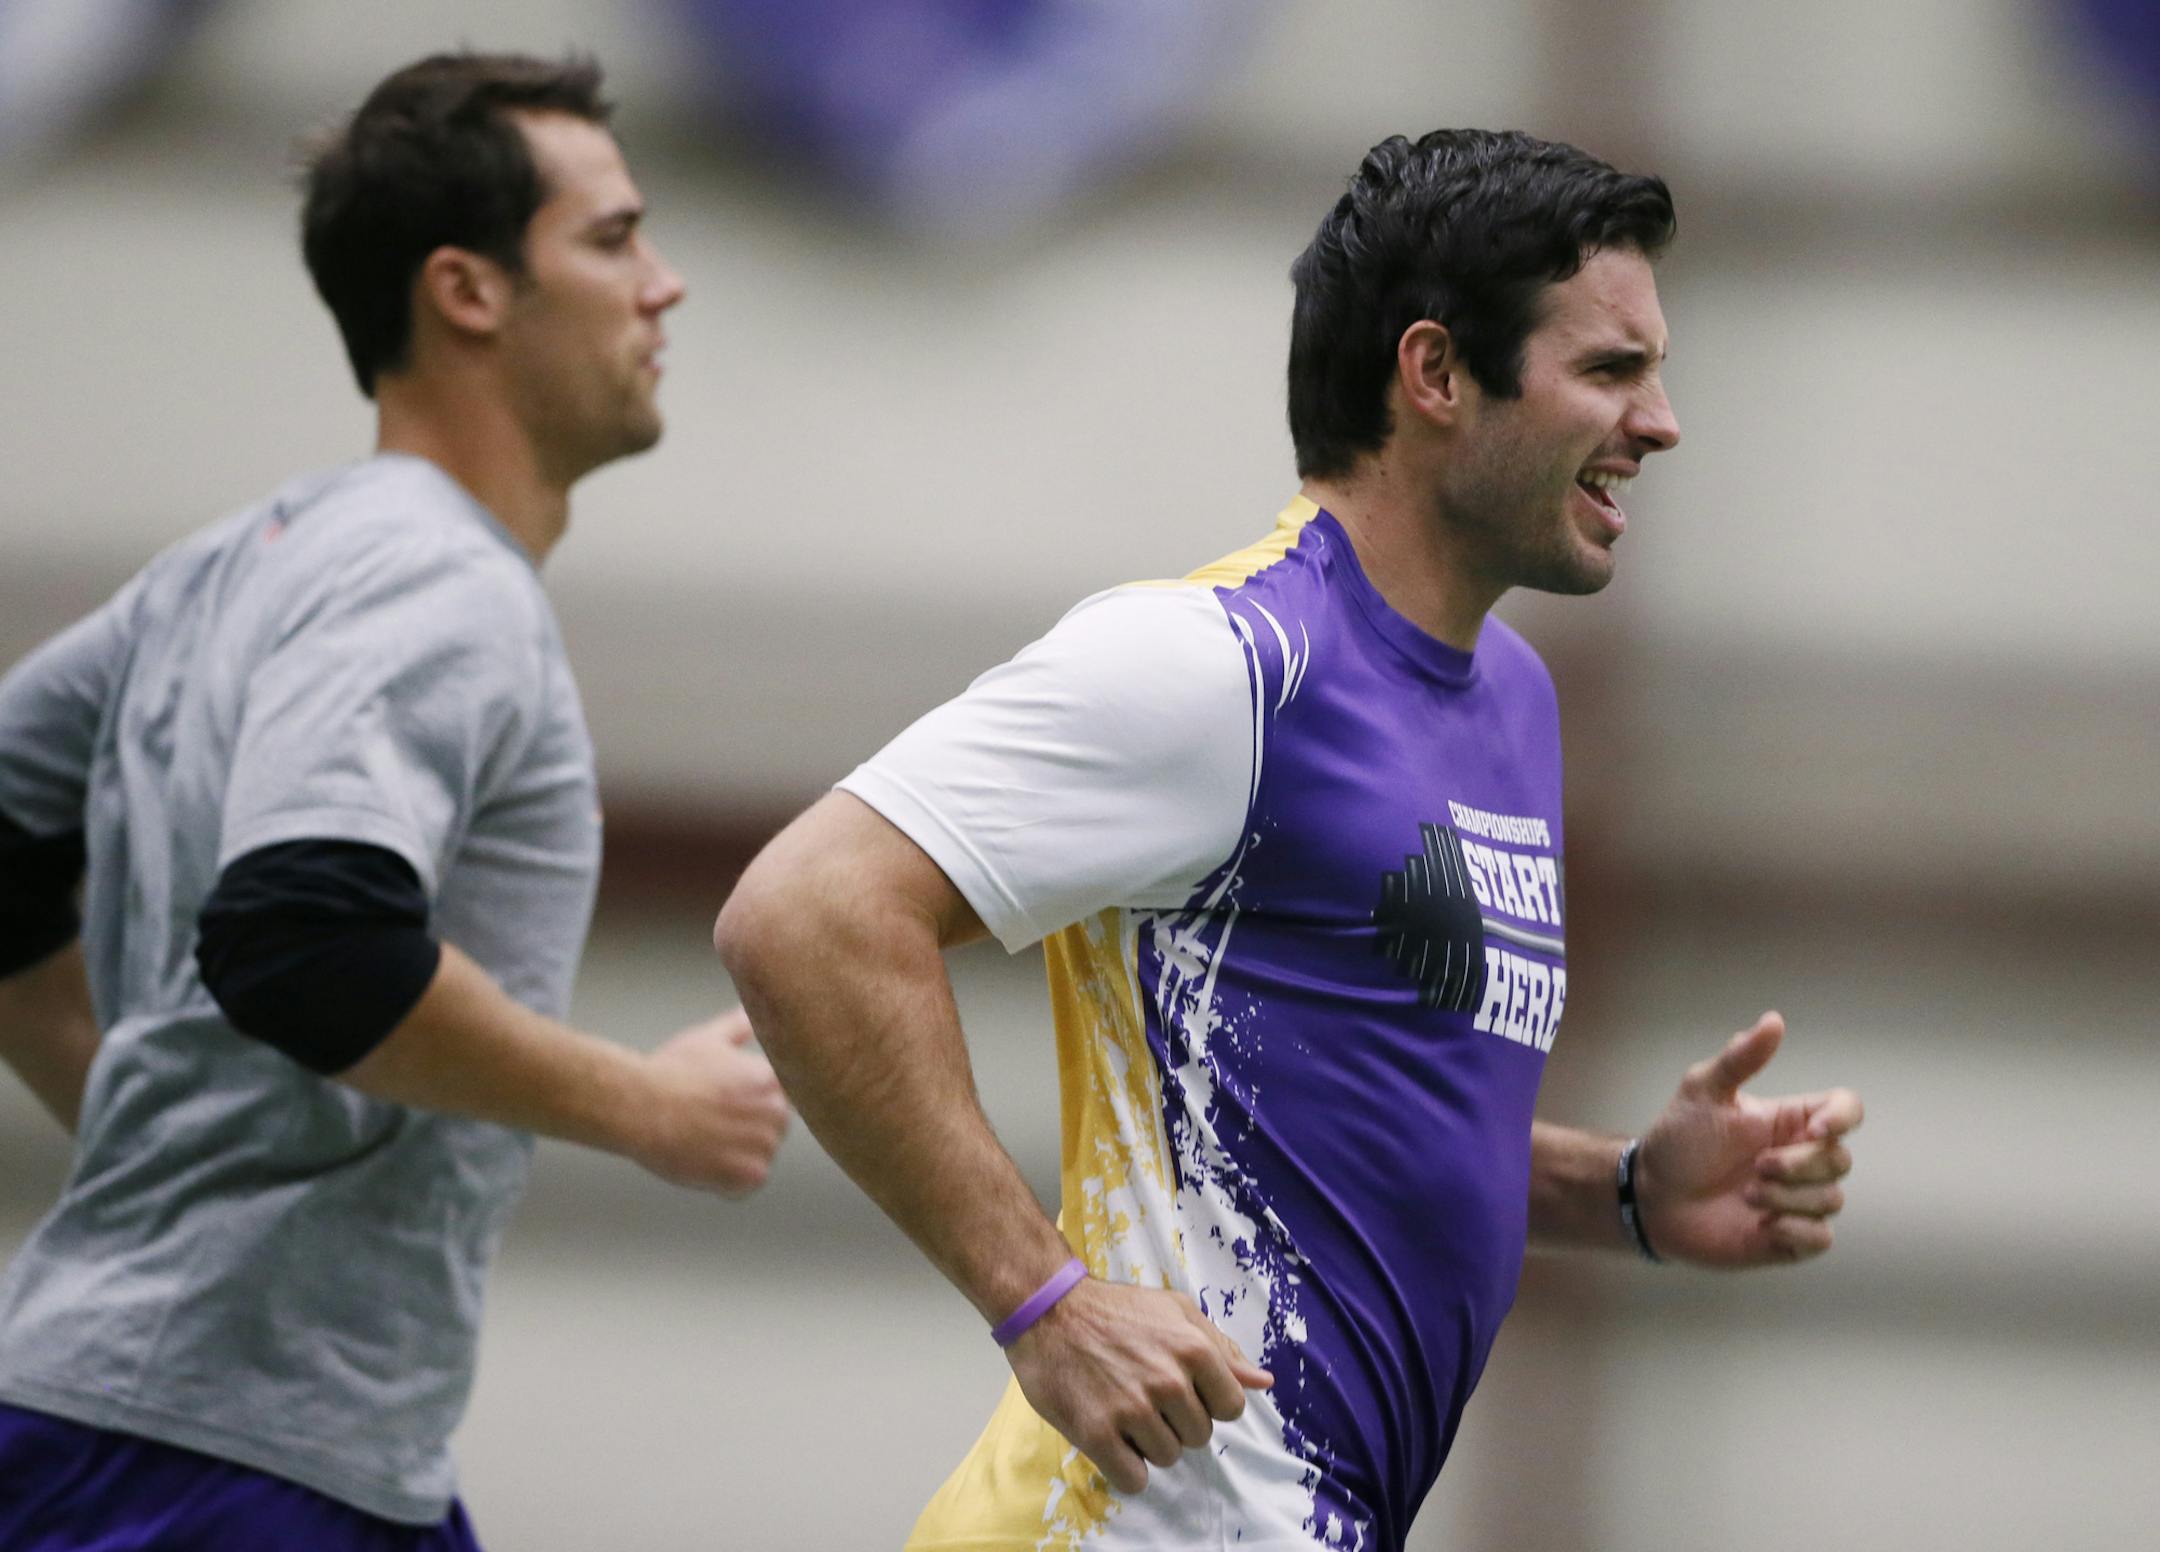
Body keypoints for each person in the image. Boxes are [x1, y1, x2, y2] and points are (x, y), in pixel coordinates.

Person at [715, 128, 1865, 1551]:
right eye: (1613, 370)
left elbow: (1357, 1100)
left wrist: (1619, 1189)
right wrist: (1043, 1303)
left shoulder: (1512, 698)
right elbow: (807, 912)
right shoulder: (1225, 665)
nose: (1665, 421)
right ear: (1437, 375)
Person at [0, 51, 788, 1551]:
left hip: (238, 1440)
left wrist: (134, 1111)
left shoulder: (240, 560)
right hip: (214, 1465)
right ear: (468, 291)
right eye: (613, 239)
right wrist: (652, 1109)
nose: (664, 285)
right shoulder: (435, 579)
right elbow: (308, 940)